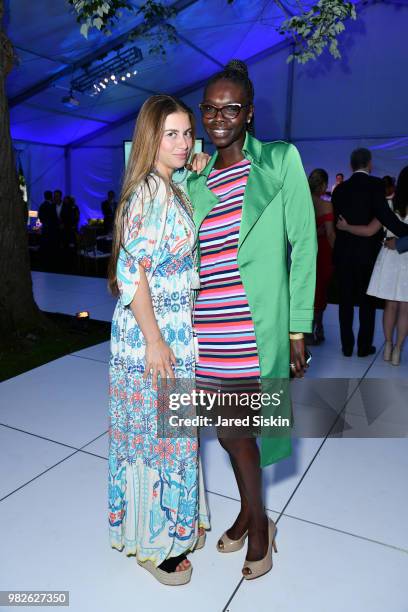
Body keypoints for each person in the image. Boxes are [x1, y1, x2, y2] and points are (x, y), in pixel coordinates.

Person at [187, 60, 317, 581]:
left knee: (240, 431)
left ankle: (260, 526)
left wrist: (297, 328)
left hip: (253, 328)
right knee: (226, 432)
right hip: (207, 329)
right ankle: (248, 511)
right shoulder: (195, 177)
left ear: (249, 114)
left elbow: (304, 244)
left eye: (231, 108)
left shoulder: (280, 161)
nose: (219, 117)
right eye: (210, 109)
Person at [107, 94, 210, 586]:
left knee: (172, 434)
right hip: (152, 337)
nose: (184, 141)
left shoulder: (167, 186)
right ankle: (157, 544)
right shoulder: (149, 193)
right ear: (150, 138)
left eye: (188, 132)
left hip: (172, 332)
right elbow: (133, 273)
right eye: (171, 133)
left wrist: (191, 169)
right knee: (156, 437)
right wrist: (153, 340)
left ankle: (178, 523)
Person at [332, 148, 408, 357]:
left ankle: (347, 347)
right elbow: (386, 217)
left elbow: (336, 224)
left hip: (344, 252)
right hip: (367, 253)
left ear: (351, 166)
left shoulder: (339, 190)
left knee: (345, 302)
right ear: (370, 164)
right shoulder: (376, 185)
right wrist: (406, 233)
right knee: (367, 303)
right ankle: (364, 347)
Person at [308, 169, 335, 343]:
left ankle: (306, 330)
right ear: (324, 184)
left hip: (305, 251)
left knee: (306, 290)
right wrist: (337, 255)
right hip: (323, 250)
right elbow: (331, 234)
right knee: (320, 291)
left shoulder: (300, 202)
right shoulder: (326, 205)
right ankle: (319, 328)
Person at [38, 190, 59, 269]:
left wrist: (44, 223)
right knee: (51, 245)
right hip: (51, 229)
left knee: (46, 245)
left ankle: (46, 262)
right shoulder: (52, 205)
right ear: (51, 196)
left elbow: (40, 216)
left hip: (46, 228)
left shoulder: (43, 205)